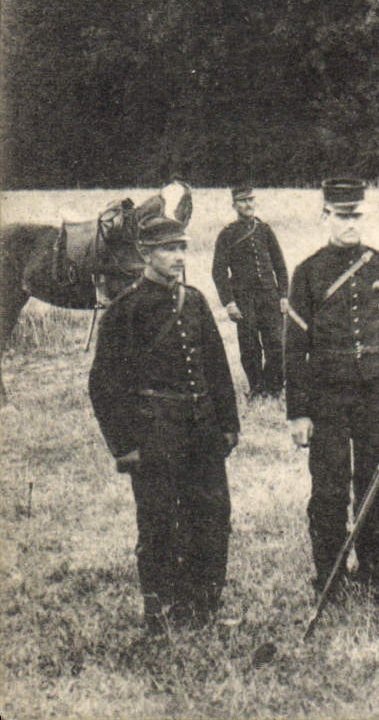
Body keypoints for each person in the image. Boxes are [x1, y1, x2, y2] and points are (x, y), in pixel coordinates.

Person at [89, 217, 239, 633]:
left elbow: (216, 367)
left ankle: (205, 607)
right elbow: (104, 385)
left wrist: (228, 423)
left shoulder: (194, 300)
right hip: (157, 432)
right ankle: (162, 612)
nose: (178, 257)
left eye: (182, 248)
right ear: (145, 255)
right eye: (168, 249)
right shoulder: (126, 310)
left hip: (202, 429)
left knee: (211, 514)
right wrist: (124, 446)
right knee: (159, 521)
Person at [285, 178, 379, 595]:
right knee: (330, 489)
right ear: (325, 216)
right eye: (342, 215)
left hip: (375, 396)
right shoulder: (308, 273)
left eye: (356, 215)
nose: (350, 223)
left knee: (377, 483)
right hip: (328, 400)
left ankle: (375, 575)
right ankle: (330, 577)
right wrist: (298, 412)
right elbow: (295, 347)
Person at [210, 186, 289, 399]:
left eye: (251, 200)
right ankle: (256, 388)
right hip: (244, 299)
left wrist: (283, 295)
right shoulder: (227, 234)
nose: (248, 205)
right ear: (234, 205)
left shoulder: (265, 230)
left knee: (277, 344)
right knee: (250, 346)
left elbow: (280, 265)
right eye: (243, 201)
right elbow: (218, 271)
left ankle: (274, 387)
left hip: (270, 297)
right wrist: (229, 303)